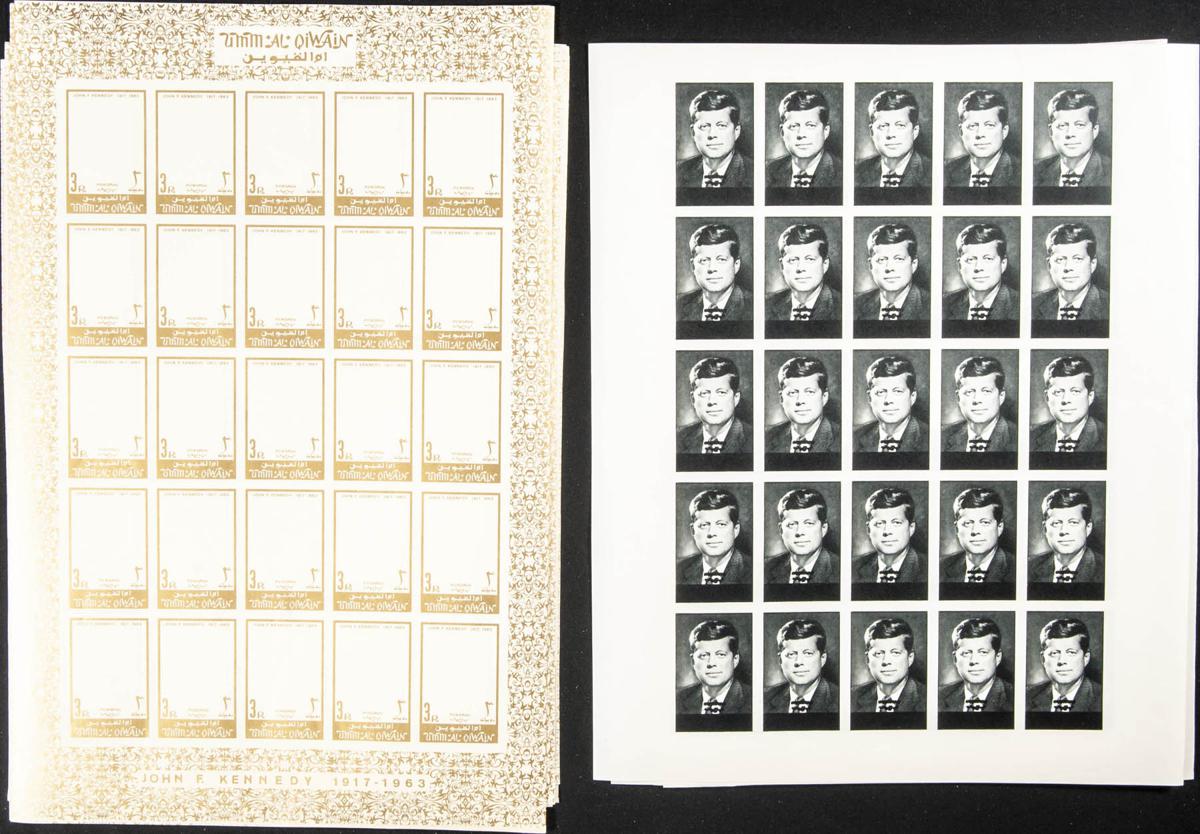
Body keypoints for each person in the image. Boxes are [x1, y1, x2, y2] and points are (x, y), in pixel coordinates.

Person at [854, 89, 931, 189]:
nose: (891, 134)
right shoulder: (855, 171)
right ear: (872, 132)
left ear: (915, 131)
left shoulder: (934, 173)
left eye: (900, 125)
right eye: (883, 126)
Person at [1032, 222, 1109, 322]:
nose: (1068, 267)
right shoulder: (1032, 303)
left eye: (1077, 259)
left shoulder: (1110, 306)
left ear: (1092, 264)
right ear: (1049, 265)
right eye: (1060, 259)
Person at [1034, 89, 1110, 189]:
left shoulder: (1112, 172)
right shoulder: (1034, 170)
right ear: (1051, 132)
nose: (1070, 134)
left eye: (1079, 125)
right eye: (1062, 126)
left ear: (1094, 130)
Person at [676, 89, 752, 189]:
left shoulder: (756, 173)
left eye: (721, 125)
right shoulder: (677, 171)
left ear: (736, 131)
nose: (712, 134)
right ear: (693, 132)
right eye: (704, 126)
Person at [853, 223, 929, 322]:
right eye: (882, 260)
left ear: (913, 264)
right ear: (871, 265)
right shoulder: (854, 304)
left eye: (898, 259)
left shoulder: (934, 306)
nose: (889, 268)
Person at [943, 223, 1019, 322]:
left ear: (1003, 264)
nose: (979, 267)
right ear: (960, 266)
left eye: (988, 259)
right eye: (970, 259)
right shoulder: (942, 304)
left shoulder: (1023, 305)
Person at [765, 89, 841, 189]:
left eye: (810, 125)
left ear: (825, 131)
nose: (801, 134)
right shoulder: (767, 171)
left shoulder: (844, 173)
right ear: (782, 132)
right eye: (793, 126)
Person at [1029, 488, 1105, 585]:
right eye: (1056, 523)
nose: (1064, 531)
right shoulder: (1028, 566)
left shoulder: (1106, 569)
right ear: (1045, 529)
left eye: (1073, 522)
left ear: (1088, 527)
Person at [944, 89, 1019, 188]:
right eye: (972, 126)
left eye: (989, 125)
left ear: (1004, 131)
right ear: (961, 132)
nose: (980, 134)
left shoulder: (1024, 172)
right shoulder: (944, 170)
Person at [1031, 356, 1106, 454]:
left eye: (1075, 391)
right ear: (1047, 397)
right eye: (1058, 392)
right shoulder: (1031, 436)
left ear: (1090, 397)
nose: (1066, 400)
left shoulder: (1107, 436)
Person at [853, 355, 928, 454]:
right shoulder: (853, 436)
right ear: (869, 398)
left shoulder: (933, 438)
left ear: (912, 397)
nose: (888, 400)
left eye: (897, 391)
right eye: (880, 392)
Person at [765, 224, 840, 322]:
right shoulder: (765, 304)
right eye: (793, 260)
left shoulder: (845, 306)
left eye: (810, 259)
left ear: (825, 264)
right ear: (782, 266)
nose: (801, 268)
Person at [677, 223, 750, 323]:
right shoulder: (677, 304)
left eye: (721, 259)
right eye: (704, 260)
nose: (712, 268)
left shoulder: (757, 306)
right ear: (693, 266)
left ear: (736, 265)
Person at [941, 356, 1017, 453]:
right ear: (958, 398)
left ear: (1001, 397)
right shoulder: (941, 436)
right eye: (969, 392)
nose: (977, 400)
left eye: (986, 391)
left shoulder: (1021, 437)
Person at [939, 487, 1015, 584]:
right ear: (957, 529)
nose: (975, 531)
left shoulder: (1018, 568)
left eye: (985, 522)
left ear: (999, 527)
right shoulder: (940, 567)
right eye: (967, 523)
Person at [677, 356, 751, 454]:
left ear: (736, 398)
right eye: (704, 393)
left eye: (721, 392)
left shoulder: (755, 439)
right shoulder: (677, 438)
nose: (712, 401)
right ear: (693, 399)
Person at [677, 489, 751, 586]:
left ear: (735, 529)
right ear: (693, 530)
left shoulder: (755, 570)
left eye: (721, 524)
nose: (712, 533)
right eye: (704, 525)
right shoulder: (678, 569)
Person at [764, 488, 839, 585]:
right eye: (791, 524)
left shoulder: (842, 569)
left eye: (808, 523)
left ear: (823, 528)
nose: (799, 532)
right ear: (781, 530)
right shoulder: (764, 568)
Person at [765, 356, 839, 455]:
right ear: (781, 398)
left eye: (809, 392)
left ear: (824, 397)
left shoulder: (843, 439)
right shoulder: (765, 437)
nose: (800, 401)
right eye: (792, 393)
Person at [1027, 618, 1102, 712]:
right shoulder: (1026, 696)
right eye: (1054, 653)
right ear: (1043, 659)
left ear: (1085, 658)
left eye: (1071, 652)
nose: (1062, 661)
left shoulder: (1103, 698)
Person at [938, 617, 1012, 712]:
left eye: (983, 652)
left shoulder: (1018, 698)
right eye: (966, 653)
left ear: (997, 657)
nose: (974, 661)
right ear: (955, 659)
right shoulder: (938, 696)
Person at [764, 618, 838, 713]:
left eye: (808, 653)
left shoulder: (842, 698)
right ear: (780, 660)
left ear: (822, 658)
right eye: (791, 654)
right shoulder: (764, 697)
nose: (799, 662)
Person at [852, 488, 924, 585]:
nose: (887, 531)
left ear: (911, 528)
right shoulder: (852, 567)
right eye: (879, 523)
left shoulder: (930, 569)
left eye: (896, 523)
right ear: (869, 529)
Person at [676, 619, 749, 715]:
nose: (711, 663)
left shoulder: (756, 699)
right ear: (693, 661)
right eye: (704, 655)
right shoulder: (677, 699)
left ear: (735, 659)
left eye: (720, 654)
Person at [852, 617, 924, 712]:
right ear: (867, 659)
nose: (886, 661)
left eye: (895, 653)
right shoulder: (851, 696)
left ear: (910, 658)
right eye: (878, 653)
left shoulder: (930, 698)